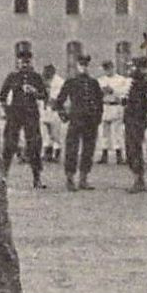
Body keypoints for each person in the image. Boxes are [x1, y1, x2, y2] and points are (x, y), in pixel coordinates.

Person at [0, 47, 49, 188]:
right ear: (18, 63)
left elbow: (45, 95)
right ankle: (3, 176)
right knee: (9, 144)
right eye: (21, 62)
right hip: (15, 114)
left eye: (27, 62)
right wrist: (7, 111)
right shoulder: (12, 77)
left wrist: (35, 92)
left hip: (31, 114)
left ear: (31, 62)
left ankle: (37, 178)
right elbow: (2, 96)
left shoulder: (36, 77)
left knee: (34, 145)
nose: (24, 65)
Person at [54, 53, 105, 192]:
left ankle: (83, 179)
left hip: (90, 121)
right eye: (81, 65)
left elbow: (99, 103)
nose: (84, 68)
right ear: (77, 66)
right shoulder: (71, 82)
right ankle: (70, 178)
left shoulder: (94, 83)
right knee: (72, 149)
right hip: (76, 120)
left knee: (88, 150)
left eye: (86, 65)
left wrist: (98, 117)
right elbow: (59, 102)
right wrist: (64, 115)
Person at [123, 58, 147, 193]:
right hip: (130, 119)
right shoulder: (134, 83)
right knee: (130, 148)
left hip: (137, 119)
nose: (130, 70)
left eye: (133, 67)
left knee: (134, 148)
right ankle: (137, 177)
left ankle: (139, 179)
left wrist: (139, 108)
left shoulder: (146, 83)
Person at [97, 59, 129, 166]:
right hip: (104, 105)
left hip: (115, 105)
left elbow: (125, 93)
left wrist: (113, 91)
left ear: (113, 68)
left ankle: (119, 155)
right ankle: (104, 154)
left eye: (109, 68)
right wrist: (101, 93)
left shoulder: (121, 80)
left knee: (117, 132)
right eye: (105, 69)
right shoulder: (101, 80)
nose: (107, 71)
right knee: (103, 132)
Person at [40, 64, 65, 164]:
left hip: (55, 110)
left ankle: (57, 154)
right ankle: (47, 153)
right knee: (46, 132)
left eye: (49, 71)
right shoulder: (42, 80)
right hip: (44, 109)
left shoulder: (59, 81)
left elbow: (59, 97)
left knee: (55, 133)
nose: (47, 74)